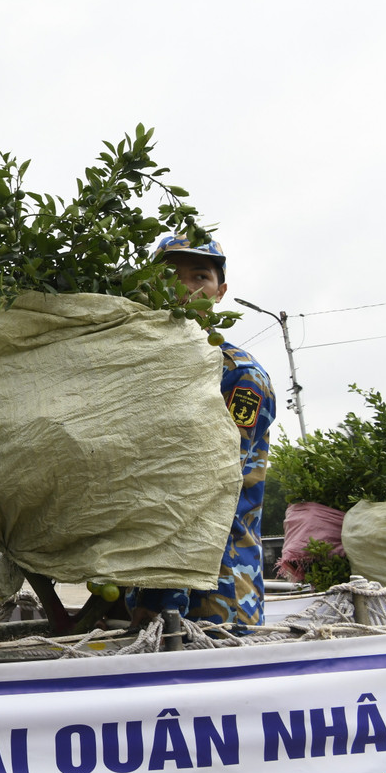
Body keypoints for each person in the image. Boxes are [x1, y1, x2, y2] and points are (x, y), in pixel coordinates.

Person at [134, 235, 276, 629]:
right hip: (147, 581)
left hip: (217, 590)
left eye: (200, 276)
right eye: (170, 275)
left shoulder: (237, 376)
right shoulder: (140, 374)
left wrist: (161, 596)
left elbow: (214, 486)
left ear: (220, 292)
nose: (184, 287)